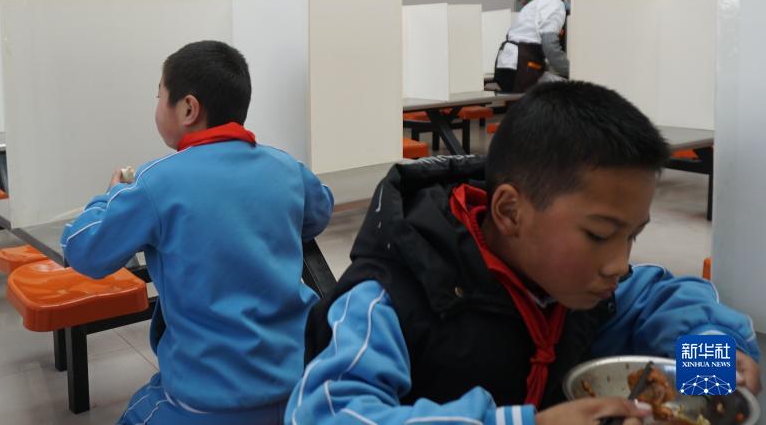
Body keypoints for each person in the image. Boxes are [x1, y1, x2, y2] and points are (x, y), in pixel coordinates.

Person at [287, 81, 761, 425]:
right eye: (599, 234)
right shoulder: (386, 299)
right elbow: (327, 413)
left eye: (632, 236)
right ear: (510, 211)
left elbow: (662, 296)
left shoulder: (572, 282)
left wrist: (710, 358)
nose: (619, 264)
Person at [60, 40, 334, 424]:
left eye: (159, 96)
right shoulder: (286, 167)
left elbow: (84, 251)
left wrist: (111, 196)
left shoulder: (156, 182)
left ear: (188, 108)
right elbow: (319, 211)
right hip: (301, 381)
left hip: (207, 399)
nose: (157, 107)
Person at [495, 0, 586, 92]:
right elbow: (550, 45)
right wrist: (573, 71)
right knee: (573, 89)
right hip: (523, 71)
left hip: (508, 68)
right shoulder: (556, 5)